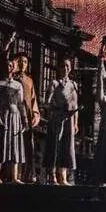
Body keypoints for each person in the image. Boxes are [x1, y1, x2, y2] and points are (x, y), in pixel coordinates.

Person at [44, 57, 79, 186]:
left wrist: (75, 122)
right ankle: (53, 175)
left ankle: (63, 177)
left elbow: (75, 105)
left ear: (70, 68)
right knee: (55, 145)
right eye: (63, 66)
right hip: (57, 118)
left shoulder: (73, 85)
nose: (65, 69)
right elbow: (47, 103)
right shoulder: (54, 83)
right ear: (59, 68)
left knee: (66, 146)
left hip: (69, 119)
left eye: (67, 66)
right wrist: (56, 109)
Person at [0, 54, 27, 184]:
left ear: (14, 67)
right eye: (7, 65)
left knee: (15, 145)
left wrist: (24, 121)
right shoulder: (0, 83)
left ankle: (14, 177)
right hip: (4, 117)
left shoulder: (18, 85)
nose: (9, 68)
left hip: (16, 118)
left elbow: (21, 104)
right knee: (2, 144)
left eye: (11, 65)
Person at [13, 52, 41, 181]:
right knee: (14, 145)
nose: (22, 64)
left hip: (27, 117)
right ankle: (13, 175)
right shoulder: (11, 77)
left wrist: (35, 114)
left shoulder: (29, 80)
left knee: (28, 146)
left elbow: (33, 99)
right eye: (20, 61)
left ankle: (28, 176)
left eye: (25, 62)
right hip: (14, 115)